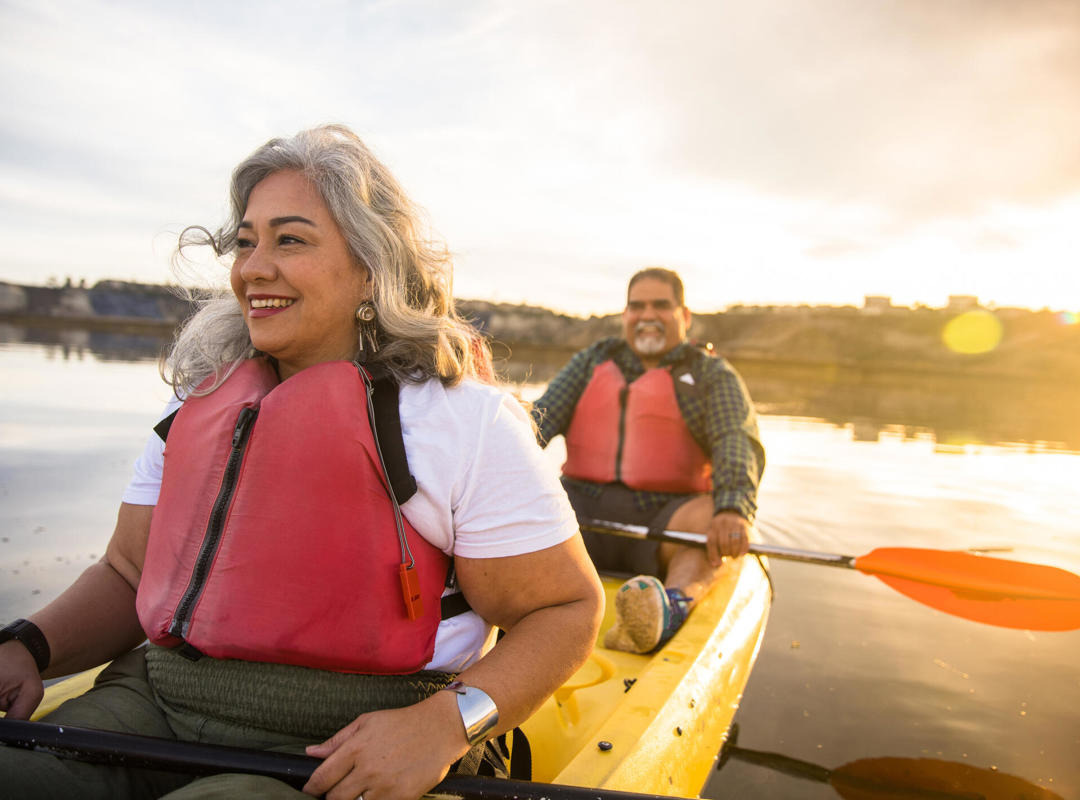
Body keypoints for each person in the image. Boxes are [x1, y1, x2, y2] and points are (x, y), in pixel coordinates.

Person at [0, 125, 604, 800]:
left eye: (290, 240)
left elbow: (565, 609)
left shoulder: (462, 421)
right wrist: (27, 646)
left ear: (371, 266)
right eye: (246, 242)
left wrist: (446, 724)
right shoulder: (197, 403)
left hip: (349, 742)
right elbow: (127, 572)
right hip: (157, 705)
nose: (252, 268)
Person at [530, 267, 764, 654]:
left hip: (666, 519)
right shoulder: (592, 361)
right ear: (625, 315)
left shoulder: (710, 374)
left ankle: (669, 607)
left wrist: (734, 507)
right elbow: (539, 422)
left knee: (711, 518)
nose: (647, 316)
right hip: (579, 514)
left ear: (684, 316)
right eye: (637, 307)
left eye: (661, 306)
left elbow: (734, 438)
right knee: (521, 499)